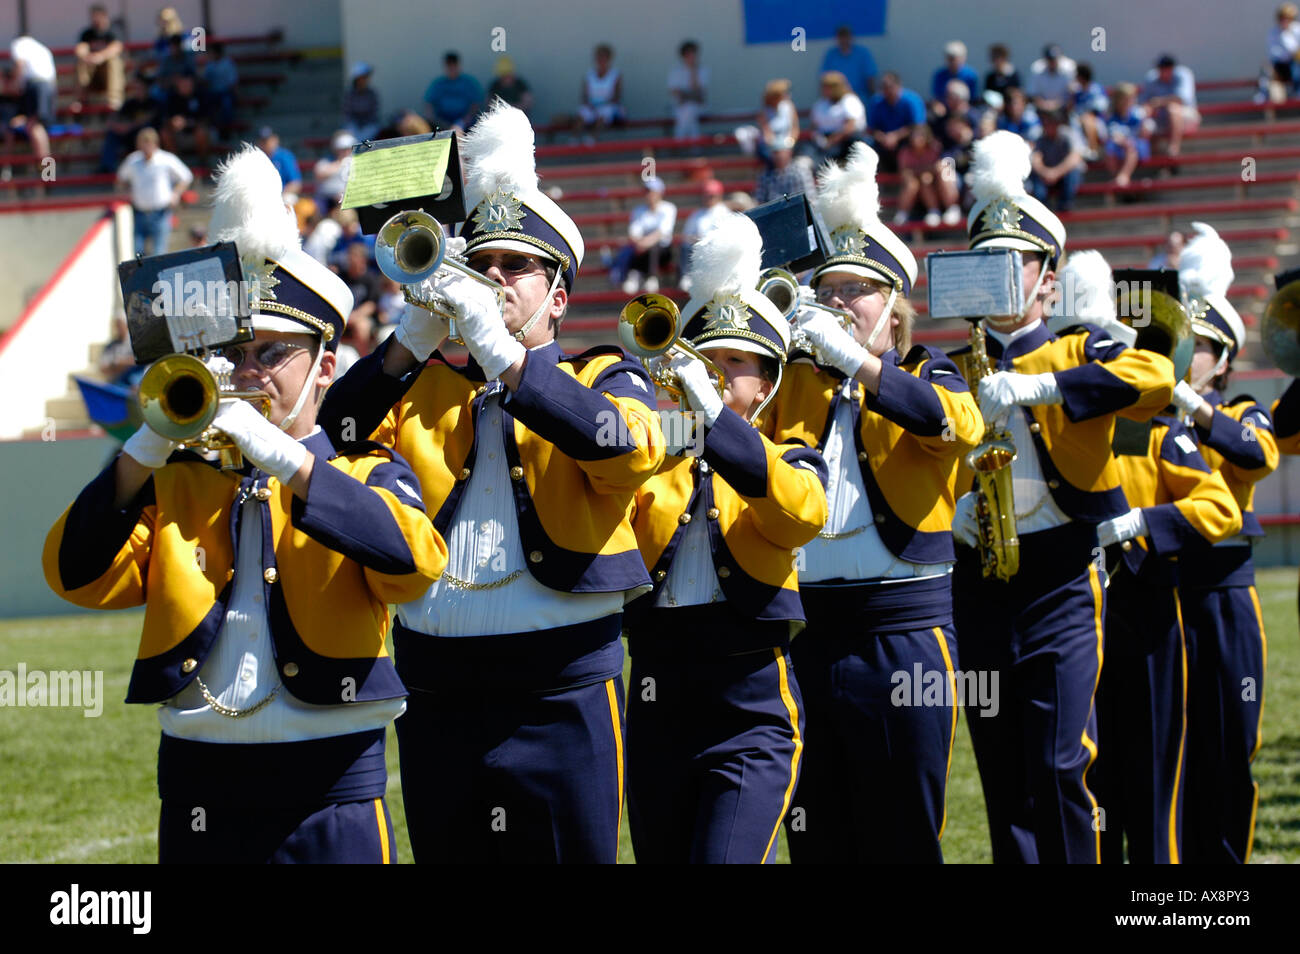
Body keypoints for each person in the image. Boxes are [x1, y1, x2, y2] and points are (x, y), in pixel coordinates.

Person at [44, 145, 447, 863]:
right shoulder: (176, 479)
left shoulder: (364, 466)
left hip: (333, 788)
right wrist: (146, 444)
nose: (250, 371)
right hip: (201, 784)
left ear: (327, 366)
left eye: (272, 352)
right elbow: (75, 572)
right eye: (233, 351)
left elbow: (413, 566)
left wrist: (283, 458)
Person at [318, 101, 665, 864]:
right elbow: (336, 432)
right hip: (436, 685)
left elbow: (629, 450)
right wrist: (411, 339)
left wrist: (506, 357)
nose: (497, 280)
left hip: (561, 684)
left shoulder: (602, 372)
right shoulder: (421, 386)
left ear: (559, 297)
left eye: (518, 268)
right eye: (484, 268)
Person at [947, 131, 1174, 864]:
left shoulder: (1081, 347)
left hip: (1060, 576)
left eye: (1014, 265)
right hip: (976, 577)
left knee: (1060, 760)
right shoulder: (950, 365)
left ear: (1049, 278)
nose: (999, 279)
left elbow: (1156, 380)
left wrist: (1043, 386)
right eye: (984, 265)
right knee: (1003, 770)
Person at [764, 144, 982, 863]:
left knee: (902, 830)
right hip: (806, 627)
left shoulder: (928, 370)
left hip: (905, 632)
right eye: (826, 286)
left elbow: (954, 423)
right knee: (816, 829)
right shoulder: (790, 382)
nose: (835, 300)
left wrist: (858, 364)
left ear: (893, 309)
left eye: (855, 289)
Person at [624, 211, 828, 864]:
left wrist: (714, 421)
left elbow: (799, 513)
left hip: (751, 705)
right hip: (656, 696)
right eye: (705, 360)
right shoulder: (654, 451)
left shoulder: (789, 452)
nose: (714, 373)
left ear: (765, 384)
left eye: (734, 362)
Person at [1048, 252, 1240, 865]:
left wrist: (1142, 523)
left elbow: (1219, 508)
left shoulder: (1154, 429)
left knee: (1155, 771)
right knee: (1086, 773)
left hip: (1142, 609)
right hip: (1072, 610)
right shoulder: (1048, 418)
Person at [1168, 224, 1277, 864]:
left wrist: (1193, 406)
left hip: (1224, 596)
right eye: (1183, 342)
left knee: (1230, 744)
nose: (1189, 354)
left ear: (1227, 358)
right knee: (1169, 748)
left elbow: (1255, 452)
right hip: (1163, 592)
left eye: (1202, 346)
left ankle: (1226, 881)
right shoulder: (1149, 414)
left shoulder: (1239, 407)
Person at [116, 127, 192, 256]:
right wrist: (128, 191)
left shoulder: (166, 159)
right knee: (138, 254)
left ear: (155, 144)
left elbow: (186, 176)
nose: (146, 147)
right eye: (143, 143)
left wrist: (175, 193)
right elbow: (121, 179)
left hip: (161, 213)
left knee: (159, 253)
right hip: (139, 212)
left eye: (149, 143)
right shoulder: (133, 160)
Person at [610, 176, 677, 294]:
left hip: (662, 251)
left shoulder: (669, 208)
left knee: (653, 248)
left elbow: (662, 233)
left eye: (650, 191)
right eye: (646, 191)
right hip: (643, 250)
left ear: (659, 193)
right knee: (632, 248)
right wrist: (641, 243)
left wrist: (643, 243)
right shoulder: (638, 210)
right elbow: (633, 233)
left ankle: (648, 276)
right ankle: (636, 275)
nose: (648, 194)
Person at [895, 122, 958, 227]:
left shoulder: (935, 148)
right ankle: (904, 212)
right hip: (917, 185)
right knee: (915, 183)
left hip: (936, 182)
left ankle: (947, 208)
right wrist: (924, 171)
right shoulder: (905, 152)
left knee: (935, 177)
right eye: (914, 135)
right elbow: (904, 173)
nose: (917, 138)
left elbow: (939, 167)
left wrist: (921, 171)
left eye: (920, 135)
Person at [1140, 53, 1199, 158]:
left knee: (1173, 109)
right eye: (1161, 68)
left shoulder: (1183, 74)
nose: (1163, 71)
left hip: (1186, 117)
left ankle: (1173, 149)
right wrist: (1148, 109)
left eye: (1167, 68)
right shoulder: (1152, 77)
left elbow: (1181, 99)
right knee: (1144, 118)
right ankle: (1152, 158)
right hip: (1160, 118)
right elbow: (1145, 102)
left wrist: (1159, 102)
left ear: (1172, 68)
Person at [7, 35, 55, 164]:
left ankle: (46, 174)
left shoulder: (19, 43)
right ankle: (47, 174)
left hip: (36, 87)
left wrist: (14, 84)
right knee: (36, 126)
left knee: (34, 126)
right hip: (48, 88)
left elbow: (19, 64)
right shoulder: (42, 49)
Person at [865, 72, 923, 172]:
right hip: (883, 141)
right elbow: (871, 129)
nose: (887, 90)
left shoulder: (911, 100)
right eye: (884, 87)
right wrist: (884, 138)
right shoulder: (876, 102)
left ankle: (910, 172)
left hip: (906, 140)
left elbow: (917, 125)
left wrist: (895, 136)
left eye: (890, 87)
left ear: (899, 86)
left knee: (917, 140)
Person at [1029, 108, 1085, 212]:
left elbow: (1075, 158)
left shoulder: (1069, 134)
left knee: (1073, 173)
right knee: (1035, 178)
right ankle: (1043, 209)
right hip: (1046, 176)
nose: (1048, 125)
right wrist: (1046, 172)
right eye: (1045, 122)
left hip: (1065, 175)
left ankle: (1065, 206)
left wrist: (1055, 173)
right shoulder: (1039, 137)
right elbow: (1035, 158)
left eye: (1051, 122)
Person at [809, 71, 867, 163]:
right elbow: (814, 126)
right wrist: (819, 139)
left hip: (844, 141)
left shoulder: (850, 100)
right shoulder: (821, 104)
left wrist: (832, 141)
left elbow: (850, 126)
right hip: (824, 140)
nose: (823, 90)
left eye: (827, 87)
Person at [679, 179, 729, 285]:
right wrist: (696, 239)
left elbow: (724, 235)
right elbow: (686, 235)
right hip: (698, 246)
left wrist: (705, 239)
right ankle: (687, 275)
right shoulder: (697, 214)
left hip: (715, 248)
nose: (708, 198)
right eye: (706, 195)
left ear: (719, 196)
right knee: (685, 246)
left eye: (711, 195)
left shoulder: (724, 212)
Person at [75, 4, 125, 111]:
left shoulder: (113, 32)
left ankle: (114, 98)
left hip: (107, 76)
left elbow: (116, 47)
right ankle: (81, 99)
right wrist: (88, 57)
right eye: (93, 17)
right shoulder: (87, 33)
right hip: (92, 76)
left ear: (104, 17)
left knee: (113, 61)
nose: (95, 20)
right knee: (82, 62)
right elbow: (80, 49)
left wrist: (101, 57)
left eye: (97, 17)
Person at [1102, 83, 1152, 189]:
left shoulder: (1138, 113)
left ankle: (1124, 176)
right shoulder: (1112, 116)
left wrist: (1145, 122)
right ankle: (1115, 175)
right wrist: (1123, 141)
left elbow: (1145, 133)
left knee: (1131, 147)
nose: (1128, 102)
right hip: (1120, 145)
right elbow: (1113, 135)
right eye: (1125, 99)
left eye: (1130, 99)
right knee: (1109, 148)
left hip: (1136, 145)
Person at [423, 51, 483, 132]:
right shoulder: (438, 84)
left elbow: (475, 106)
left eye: (453, 65)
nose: (451, 68)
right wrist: (438, 123)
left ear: (458, 65)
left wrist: (462, 123)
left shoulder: (469, 82)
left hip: (465, 124)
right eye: (449, 66)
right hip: (442, 124)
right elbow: (428, 106)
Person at [158, 72, 209, 160]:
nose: (186, 87)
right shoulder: (171, 98)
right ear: (178, 85)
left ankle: (203, 162)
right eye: (183, 84)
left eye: (188, 84)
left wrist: (186, 123)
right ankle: (175, 162)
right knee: (164, 133)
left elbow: (206, 119)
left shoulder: (200, 96)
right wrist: (172, 122)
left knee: (201, 132)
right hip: (178, 134)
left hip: (196, 132)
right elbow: (165, 118)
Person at [820, 24, 878, 100]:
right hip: (837, 99)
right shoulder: (831, 55)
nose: (844, 40)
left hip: (861, 98)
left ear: (851, 37)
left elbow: (871, 78)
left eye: (846, 36)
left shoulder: (863, 53)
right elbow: (825, 78)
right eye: (841, 37)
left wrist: (873, 98)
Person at [667, 40, 709, 140]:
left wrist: (693, 71)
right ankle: (695, 148)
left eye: (693, 53)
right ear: (683, 56)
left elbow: (699, 93)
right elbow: (675, 93)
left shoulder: (702, 71)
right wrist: (689, 96)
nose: (691, 57)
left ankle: (679, 144)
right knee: (688, 113)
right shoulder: (675, 72)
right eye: (688, 54)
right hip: (679, 108)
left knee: (689, 110)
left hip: (699, 108)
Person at [578, 44, 625, 130]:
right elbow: (584, 95)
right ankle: (573, 141)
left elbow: (616, 97)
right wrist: (590, 104)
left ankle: (591, 140)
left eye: (604, 57)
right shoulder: (589, 75)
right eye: (599, 57)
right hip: (591, 106)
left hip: (608, 107)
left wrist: (601, 104)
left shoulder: (615, 75)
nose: (601, 60)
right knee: (581, 116)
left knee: (603, 114)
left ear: (609, 59)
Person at [201, 42, 239, 133]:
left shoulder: (228, 64)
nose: (210, 55)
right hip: (213, 93)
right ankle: (212, 127)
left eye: (211, 53)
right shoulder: (209, 64)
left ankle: (226, 129)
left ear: (217, 53)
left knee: (226, 103)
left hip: (226, 92)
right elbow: (205, 81)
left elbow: (232, 83)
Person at [1026, 43, 1076, 112]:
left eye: (1054, 59)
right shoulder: (1036, 68)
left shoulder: (1069, 68)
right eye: (1050, 59)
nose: (1052, 62)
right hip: (1041, 109)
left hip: (1063, 109)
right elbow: (1032, 94)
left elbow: (1071, 95)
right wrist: (1044, 105)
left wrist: (1055, 104)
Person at [931, 41, 980, 107]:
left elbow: (974, 98)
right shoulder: (939, 75)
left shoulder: (971, 76)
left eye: (954, 58)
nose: (951, 62)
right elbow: (937, 97)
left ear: (963, 58)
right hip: (945, 109)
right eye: (949, 58)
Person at [258, 126, 302, 200]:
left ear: (275, 139)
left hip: (283, 195)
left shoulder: (285, 156)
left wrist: (278, 196)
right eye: (263, 141)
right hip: (262, 197)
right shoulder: (257, 158)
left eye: (267, 140)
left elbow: (296, 184)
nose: (265, 144)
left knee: (289, 199)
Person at [314, 131, 356, 207]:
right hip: (329, 201)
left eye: (349, 148)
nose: (346, 152)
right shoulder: (325, 162)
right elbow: (320, 175)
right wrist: (340, 163)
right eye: (343, 149)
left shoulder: (356, 161)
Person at [343, 62, 381, 141]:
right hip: (354, 126)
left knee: (371, 130)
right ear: (357, 79)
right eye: (363, 77)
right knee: (350, 131)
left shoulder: (372, 93)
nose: (365, 80)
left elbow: (374, 113)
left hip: (369, 125)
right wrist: (357, 125)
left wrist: (365, 124)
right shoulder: (350, 94)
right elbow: (348, 114)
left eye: (366, 77)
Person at [1268, 4, 1300, 96]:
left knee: (1297, 70)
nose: (1285, 21)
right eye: (1283, 18)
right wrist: (1291, 54)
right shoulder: (1273, 32)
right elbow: (1273, 53)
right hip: (1281, 65)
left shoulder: (1297, 29)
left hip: (1296, 63)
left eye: (1288, 18)